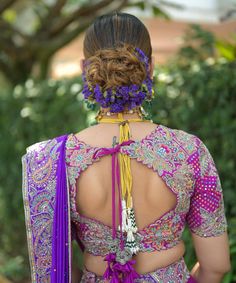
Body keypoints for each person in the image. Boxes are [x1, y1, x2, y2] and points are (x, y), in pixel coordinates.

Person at [22, 12, 231, 283]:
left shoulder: (54, 160)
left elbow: (53, 271)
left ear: (86, 69)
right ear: (151, 67)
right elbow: (216, 265)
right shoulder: (190, 152)